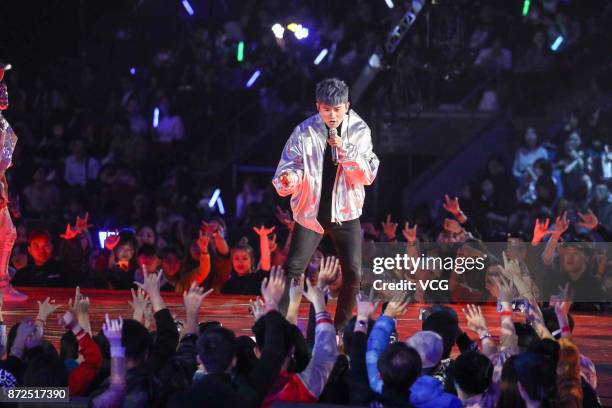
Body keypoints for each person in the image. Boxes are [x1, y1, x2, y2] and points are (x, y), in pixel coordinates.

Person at [272, 77, 379, 329]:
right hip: (311, 212)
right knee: (294, 269)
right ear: (318, 106)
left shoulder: (360, 131)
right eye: (326, 109)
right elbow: (290, 167)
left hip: (345, 212)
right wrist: (289, 179)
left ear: (347, 106)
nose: (332, 115)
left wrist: (345, 151)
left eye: (338, 109)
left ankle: (341, 328)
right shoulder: (304, 131)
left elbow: (367, 175)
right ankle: (278, 325)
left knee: (353, 272)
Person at [0, 65, 27, 300]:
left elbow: (5, 163)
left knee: (8, 234)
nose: (4, 93)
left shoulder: (4, 125)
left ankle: (2, 285)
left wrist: (6, 191)